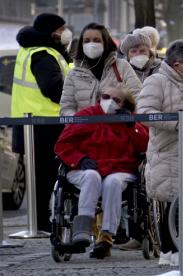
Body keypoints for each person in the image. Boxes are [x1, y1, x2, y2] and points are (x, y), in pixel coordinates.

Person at [136, 39, 183, 266]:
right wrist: (177, 123)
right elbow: (145, 112)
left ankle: (172, 251)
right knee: (172, 202)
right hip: (168, 149)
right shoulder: (157, 81)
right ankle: (171, 251)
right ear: (177, 64)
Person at [54, 86, 149, 259]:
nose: (110, 101)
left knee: (112, 182)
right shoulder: (86, 116)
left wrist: (132, 126)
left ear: (125, 105)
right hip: (84, 167)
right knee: (92, 176)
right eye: (106, 97)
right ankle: (82, 229)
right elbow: (63, 145)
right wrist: (80, 159)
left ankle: (107, 233)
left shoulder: (128, 120)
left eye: (117, 99)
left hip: (119, 169)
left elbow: (144, 147)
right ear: (99, 98)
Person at [11, 13, 72, 232]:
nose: (65, 32)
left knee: (41, 177)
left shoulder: (35, 49)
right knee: (44, 178)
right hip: (44, 125)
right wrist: (72, 97)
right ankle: (41, 223)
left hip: (34, 124)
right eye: (62, 28)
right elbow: (53, 89)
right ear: (52, 32)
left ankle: (40, 222)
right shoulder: (43, 54)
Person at [60, 22, 142, 116]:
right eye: (87, 41)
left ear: (105, 42)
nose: (91, 44)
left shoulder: (122, 66)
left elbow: (139, 98)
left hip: (117, 128)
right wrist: (79, 121)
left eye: (96, 40)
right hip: (86, 129)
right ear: (81, 44)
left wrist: (129, 115)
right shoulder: (73, 74)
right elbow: (66, 108)